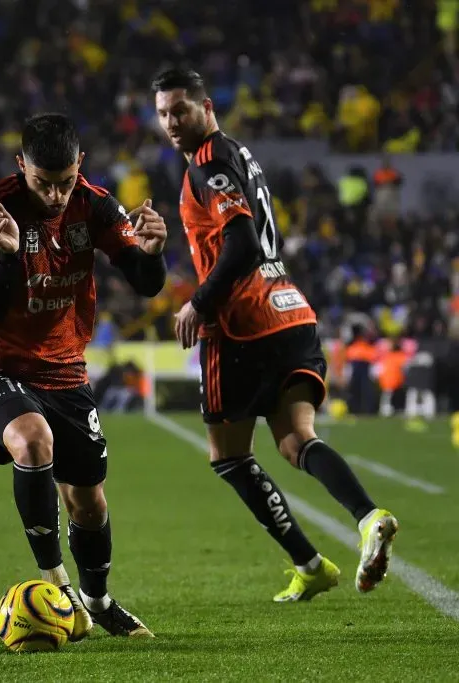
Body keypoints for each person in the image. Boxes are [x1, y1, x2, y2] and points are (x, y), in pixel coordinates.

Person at [152, 68, 398, 601]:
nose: (172, 123)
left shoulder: (208, 165)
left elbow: (240, 241)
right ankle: (367, 516)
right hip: (290, 306)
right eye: (164, 113)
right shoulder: (242, 155)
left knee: (228, 456)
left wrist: (200, 300)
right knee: (296, 440)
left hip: (243, 325)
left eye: (181, 111)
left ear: (206, 106)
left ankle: (309, 564)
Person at [0, 113, 167, 640]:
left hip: (65, 365)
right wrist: (3, 257)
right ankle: (58, 586)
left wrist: (156, 253)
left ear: (81, 167)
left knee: (88, 502)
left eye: (65, 182)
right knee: (32, 441)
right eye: (42, 182)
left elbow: (144, 284)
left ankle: (97, 600)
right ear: (20, 165)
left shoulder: (94, 205)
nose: (54, 195)